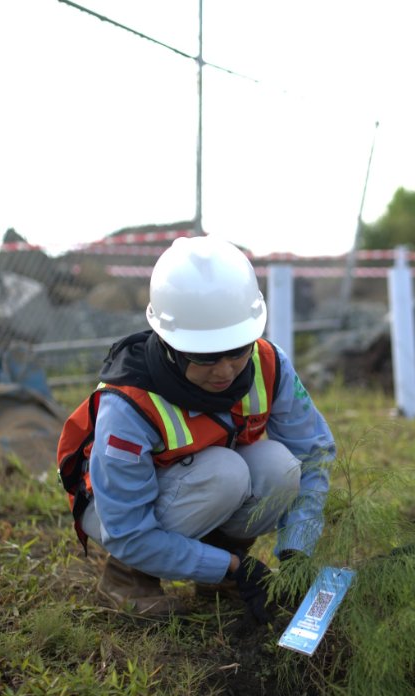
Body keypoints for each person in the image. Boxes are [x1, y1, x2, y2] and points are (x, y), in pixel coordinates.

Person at [57, 235, 336, 622]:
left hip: (199, 484)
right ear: (168, 342)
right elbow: (128, 530)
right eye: (204, 357)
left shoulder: (270, 364)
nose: (225, 371)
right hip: (114, 511)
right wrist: (235, 568)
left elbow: (314, 452)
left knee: (281, 467)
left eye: (237, 350)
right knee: (226, 472)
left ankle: (215, 575)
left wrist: (296, 550)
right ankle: (126, 577)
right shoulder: (129, 402)